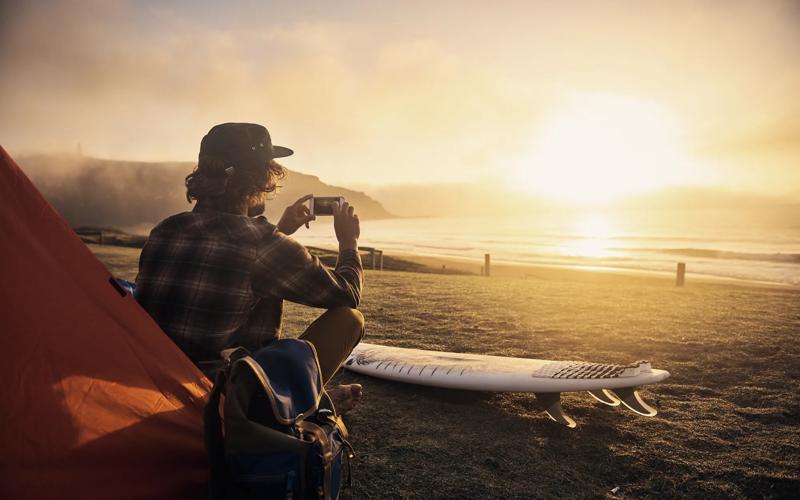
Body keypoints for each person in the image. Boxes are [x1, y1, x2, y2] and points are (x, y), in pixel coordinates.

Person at [135, 122, 364, 412]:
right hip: (224, 401)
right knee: (350, 318)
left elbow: (234, 260)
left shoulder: (165, 230)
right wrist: (349, 243)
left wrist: (281, 229)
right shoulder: (262, 243)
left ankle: (316, 401)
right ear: (258, 180)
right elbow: (347, 294)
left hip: (153, 385)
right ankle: (300, 407)